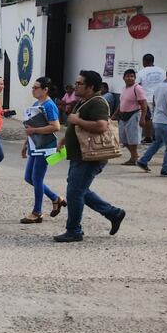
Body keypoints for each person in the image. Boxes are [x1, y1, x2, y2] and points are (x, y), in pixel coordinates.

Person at [54, 70, 126, 243]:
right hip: (80, 156)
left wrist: (76, 121)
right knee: (78, 190)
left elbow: (101, 126)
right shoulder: (84, 101)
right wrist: (65, 138)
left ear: (90, 87)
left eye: (80, 83)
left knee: (74, 192)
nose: (76, 85)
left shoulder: (98, 103)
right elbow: (77, 126)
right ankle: (113, 213)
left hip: (90, 157)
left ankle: (74, 230)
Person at [19, 77, 64, 223]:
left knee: (37, 178)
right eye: (33, 87)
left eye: (36, 87)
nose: (33, 90)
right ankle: (55, 198)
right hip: (35, 145)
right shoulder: (36, 104)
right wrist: (26, 144)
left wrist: (34, 130)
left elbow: (56, 126)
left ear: (45, 90)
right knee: (29, 177)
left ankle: (37, 212)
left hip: (45, 147)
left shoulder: (49, 105)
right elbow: (30, 128)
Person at [136, 64, 167, 178]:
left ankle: (143, 161)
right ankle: (166, 169)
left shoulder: (159, 86)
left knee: (158, 142)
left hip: (157, 119)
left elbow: (155, 103)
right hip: (166, 122)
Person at [112, 68, 148, 165]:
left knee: (132, 139)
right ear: (124, 78)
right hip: (123, 116)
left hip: (134, 115)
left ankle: (134, 158)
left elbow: (144, 105)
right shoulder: (123, 88)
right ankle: (135, 156)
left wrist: (142, 118)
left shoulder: (137, 88)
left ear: (135, 78)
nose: (130, 78)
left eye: (132, 76)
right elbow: (121, 103)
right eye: (128, 76)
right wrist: (114, 115)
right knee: (123, 139)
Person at [137, 53, 165, 143]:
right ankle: (158, 137)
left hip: (147, 98)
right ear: (153, 61)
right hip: (160, 97)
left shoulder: (141, 72)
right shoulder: (162, 71)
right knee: (159, 117)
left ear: (144, 61)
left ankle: (148, 137)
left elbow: (138, 86)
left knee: (147, 118)